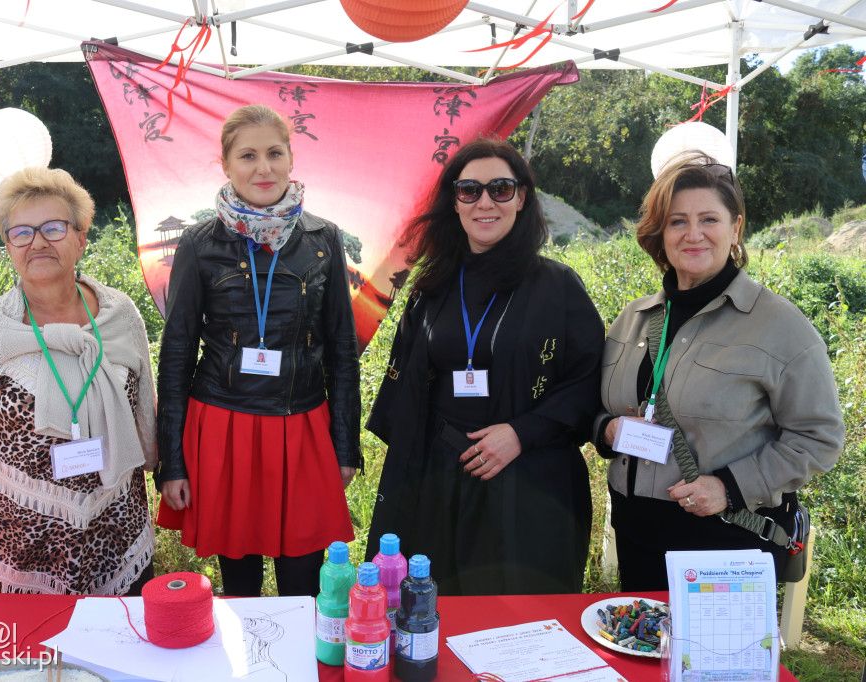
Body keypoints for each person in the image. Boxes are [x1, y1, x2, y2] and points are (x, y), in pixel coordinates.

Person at [595, 153, 844, 591]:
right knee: (642, 656)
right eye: (677, 221)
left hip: (725, 546)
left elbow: (819, 438)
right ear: (661, 233)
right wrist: (608, 430)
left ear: (736, 229)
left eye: (708, 219)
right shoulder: (632, 318)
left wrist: (729, 487)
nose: (693, 234)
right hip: (636, 537)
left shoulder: (780, 326)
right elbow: (597, 407)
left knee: (710, 661)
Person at [366, 137, 604, 596]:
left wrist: (521, 433)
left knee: (521, 621)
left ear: (521, 198)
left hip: (530, 478)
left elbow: (589, 380)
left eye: (500, 188)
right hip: (441, 476)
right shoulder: (432, 287)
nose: (485, 202)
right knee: (437, 611)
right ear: (454, 203)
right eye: (469, 190)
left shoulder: (556, 287)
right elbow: (409, 390)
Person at [0, 167, 157, 594]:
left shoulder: (119, 315)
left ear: (81, 238)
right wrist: (26, 486)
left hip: (117, 532)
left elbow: (142, 411)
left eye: (54, 227)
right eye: (21, 232)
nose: (39, 242)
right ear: (8, 246)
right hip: (20, 546)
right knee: (27, 659)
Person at [156, 104, 360, 598]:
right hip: (225, 426)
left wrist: (345, 445)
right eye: (247, 155)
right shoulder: (200, 243)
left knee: (303, 583)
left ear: (291, 159)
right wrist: (173, 461)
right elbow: (178, 351)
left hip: (304, 425)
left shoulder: (323, 239)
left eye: (274, 153)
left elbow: (342, 351)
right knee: (240, 586)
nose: (262, 168)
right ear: (226, 165)